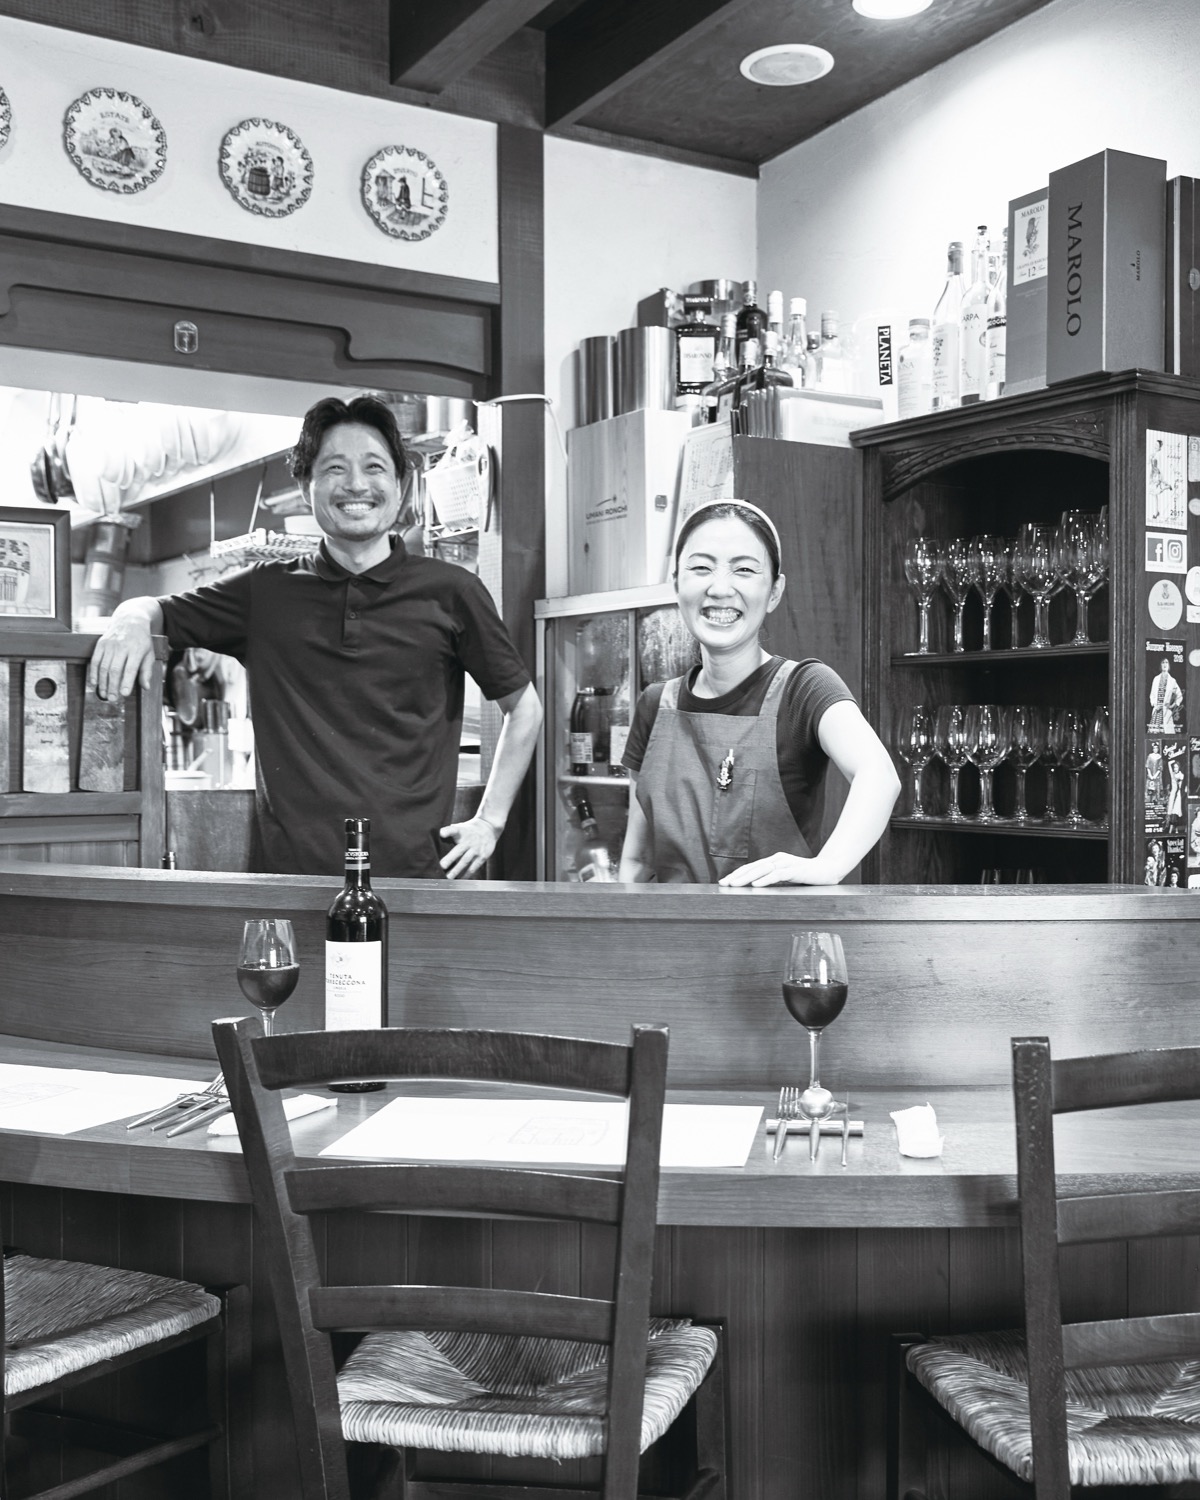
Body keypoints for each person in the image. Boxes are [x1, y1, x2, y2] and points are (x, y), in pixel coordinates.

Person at [89, 394, 542, 879]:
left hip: (417, 880)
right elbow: (156, 610)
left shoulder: (453, 592)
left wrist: (490, 821)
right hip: (292, 881)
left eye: (374, 467)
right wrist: (129, 617)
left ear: (401, 484)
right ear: (306, 487)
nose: (356, 484)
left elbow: (524, 708)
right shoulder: (263, 593)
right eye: (334, 468)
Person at [617, 500, 900, 885]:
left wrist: (828, 866)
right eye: (701, 568)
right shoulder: (655, 704)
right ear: (677, 583)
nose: (720, 588)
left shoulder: (805, 688)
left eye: (744, 570)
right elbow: (637, 860)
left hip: (777, 924)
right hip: (669, 924)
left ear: (774, 592)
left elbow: (879, 775)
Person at [1149, 656, 1183, 734]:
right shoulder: (1156, 679)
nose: (1165, 664)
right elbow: (1152, 695)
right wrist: (1155, 704)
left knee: (1167, 734)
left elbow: (1179, 695)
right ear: (1160, 665)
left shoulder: (1172, 681)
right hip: (1156, 712)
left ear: (1169, 665)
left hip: (1166, 712)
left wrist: (1172, 705)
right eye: (1163, 662)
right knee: (1154, 735)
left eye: (1166, 662)